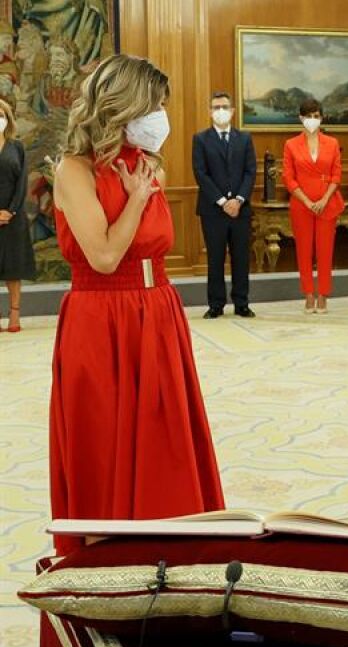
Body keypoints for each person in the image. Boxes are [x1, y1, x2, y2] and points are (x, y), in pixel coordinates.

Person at [49, 54, 225, 556]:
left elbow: (155, 244)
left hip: (158, 312)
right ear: (123, 106)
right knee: (104, 440)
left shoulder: (147, 167)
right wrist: (135, 200)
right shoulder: (74, 170)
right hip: (100, 316)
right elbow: (104, 257)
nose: (160, 117)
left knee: (161, 437)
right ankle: (108, 559)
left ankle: (169, 548)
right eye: (154, 106)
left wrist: (141, 191)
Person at [191, 90, 256, 319]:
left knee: (241, 258)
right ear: (210, 111)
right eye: (216, 107)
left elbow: (250, 172)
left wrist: (238, 200)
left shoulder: (245, 139)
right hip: (213, 210)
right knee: (215, 258)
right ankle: (216, 304)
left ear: (233, 111)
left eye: (224, 107)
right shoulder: (200, 139)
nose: (221, 111)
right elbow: (200, 173)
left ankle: (242, 303)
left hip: (241, 209)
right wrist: (222, 202)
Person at [282, 99, 344, 314]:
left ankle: (323, 295)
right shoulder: (291, 144)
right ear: (301, 118)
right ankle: (308, 294)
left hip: (327, 204)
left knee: (325, 251)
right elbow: (288, 178)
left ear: (322, 118)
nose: (312, 120)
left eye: (316, 116)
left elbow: (337, 175)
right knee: (304, 251)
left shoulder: (332, 143)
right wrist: (307, 201)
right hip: (302, 205)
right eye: (308, 116)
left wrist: (324, 199)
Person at [0, 97, 33, 332]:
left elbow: (22, 182)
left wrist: (10, 211)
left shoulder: (17, 147)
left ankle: (14, 315)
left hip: (13, 216)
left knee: (13, 267)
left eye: (1, 115)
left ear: (8, 119)